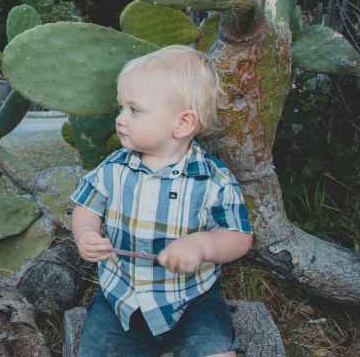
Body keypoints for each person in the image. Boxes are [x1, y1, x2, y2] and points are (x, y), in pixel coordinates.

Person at [71, 45, 253, 357]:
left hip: (191, 299)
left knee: (216, 351)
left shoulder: (212, 178)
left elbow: (239, 236)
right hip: (121, 296)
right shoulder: (115, 167)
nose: (120, 119)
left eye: (134, 110)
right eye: (121, 108)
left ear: (182, 123)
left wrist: (200, 245)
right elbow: (86, 207)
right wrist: (85, 233)